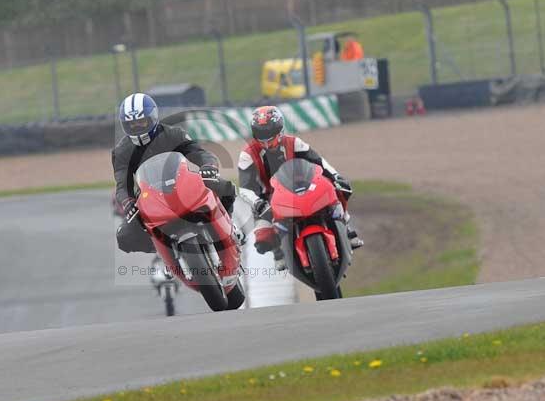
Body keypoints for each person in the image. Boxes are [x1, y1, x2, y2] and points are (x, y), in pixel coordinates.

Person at [238, 105, 363, 270]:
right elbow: (245, 187)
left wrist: (336, 176)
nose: (266, 138)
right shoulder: (247, 155)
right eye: (261, 133)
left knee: (340, 189)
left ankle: (346, 226)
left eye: (270, 132)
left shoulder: (295, 142)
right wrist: (257, 203)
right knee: (262, 240)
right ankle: (279, 252)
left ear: (280, 128)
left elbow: (320, 163)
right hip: (268, 199)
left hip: (304, 185)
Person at [113, 92, 237, 253]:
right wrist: (127, 202)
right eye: (132, 124)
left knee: (225, 187)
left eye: (141, 122)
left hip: (183, 183)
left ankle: (230, 228)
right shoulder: (121, 151)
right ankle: (162, 253)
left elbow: (198, 152)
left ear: (152, 118)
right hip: (149, 195)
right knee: (124, 236)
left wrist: (209, 166)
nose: (137, 127)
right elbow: (122, 184)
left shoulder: (173, 134)